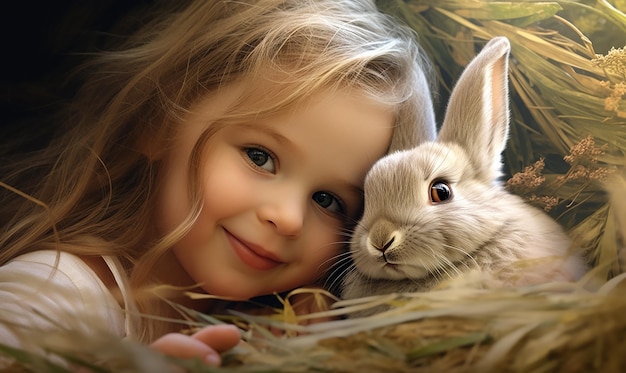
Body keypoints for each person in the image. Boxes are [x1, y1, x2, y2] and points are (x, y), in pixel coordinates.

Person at [0, 0, 436, 367]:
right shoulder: (57, 291)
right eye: (260, 157)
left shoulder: (269, 326)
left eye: (328, 200)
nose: (287, 218)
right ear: (160, 122)